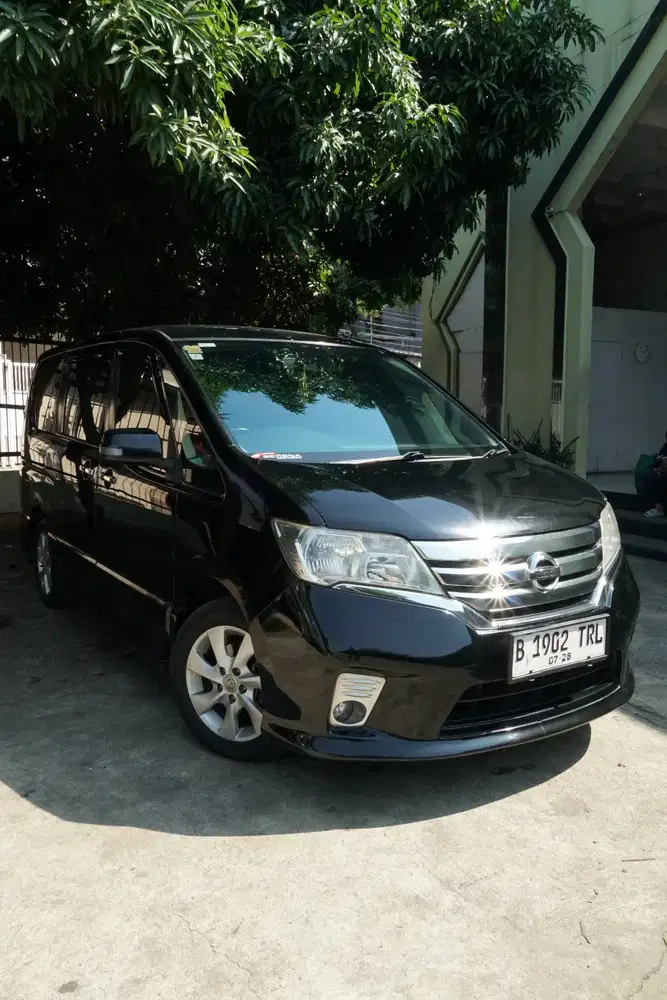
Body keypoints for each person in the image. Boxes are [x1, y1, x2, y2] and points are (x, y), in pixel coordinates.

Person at [643, 432, 667, 517]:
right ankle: (658, 507)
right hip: (662, 470)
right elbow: (658, 457)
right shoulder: (665, 446)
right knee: (650, 475)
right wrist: (661, 459)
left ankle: (659, 508)